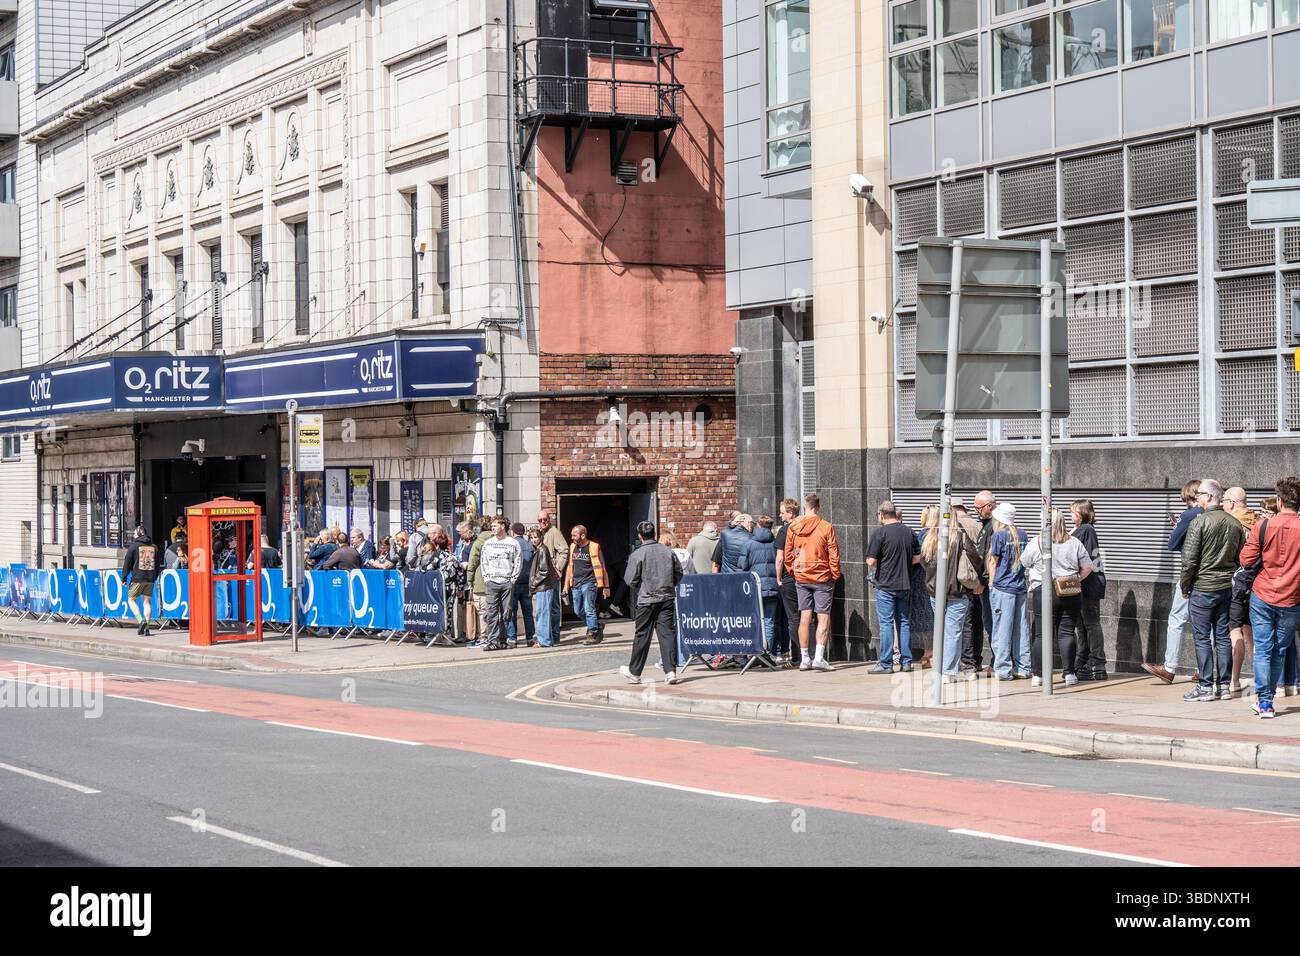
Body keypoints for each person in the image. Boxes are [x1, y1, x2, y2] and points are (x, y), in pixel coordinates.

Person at [1178, 480, 1245, 703]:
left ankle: (1205, 686)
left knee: (1202, 638)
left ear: (1209, 496)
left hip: (1203, 588)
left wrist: (1186, 586)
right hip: (1226, 588)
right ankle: (1224, 686)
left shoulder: (1199, 523)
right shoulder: (1234, 524)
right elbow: (1239, 559)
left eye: (1199, 494)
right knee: (1223, 637)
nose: (1196, 497)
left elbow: (1189, 560)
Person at [1240, 477, 1300, 718]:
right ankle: (1267, 699)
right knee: (1280, 649)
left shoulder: (1263, 526)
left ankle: (1265, 703)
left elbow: (1245, 560)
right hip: (1292, 598)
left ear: (1279, 500)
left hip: (1262, 595)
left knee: (1264, 648)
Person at [1021, 509, 1093, 688]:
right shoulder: (1074, 542)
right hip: (1070, 591)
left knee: (1041, 634)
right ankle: (1069, 673)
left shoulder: (1037, 541)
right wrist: (1076, 579)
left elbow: (1024, 562)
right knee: (1067, 632)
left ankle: (1038, 675)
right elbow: (1088, 567)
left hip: (1044, 590)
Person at [1144, 480, 1203, 684]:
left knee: (1177, 619)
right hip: (1213, 579)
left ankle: (1169, 668)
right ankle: (1205, 669)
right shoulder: (1217, 514)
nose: (1186, 503)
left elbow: (1173, 544)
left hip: (1190, 576)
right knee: (1207, 624)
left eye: (1187, 499)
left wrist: (1177, 527)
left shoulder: (1188, 516)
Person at [921, 511, 987, 681]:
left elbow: (924, 562)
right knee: (954, 632)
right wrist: (979, 580)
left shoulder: (930, 538)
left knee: (942, 630)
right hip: (958, 590)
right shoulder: (960, 537)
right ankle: (949, 671)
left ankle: (944, 668)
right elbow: (976, 559)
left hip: (935, 591)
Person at [619, 521, 683, 685]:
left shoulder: (638, 554)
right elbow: (679, 573)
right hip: (667, 598)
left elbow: (630, 580)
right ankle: (670, 672)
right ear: (654, 534)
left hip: (646, 599)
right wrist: (669, 585)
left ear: (640, 536)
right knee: (667, 634)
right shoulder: (668, 552)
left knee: (642, 635)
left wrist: (641, 585)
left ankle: (635, 673)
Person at [784, 493, 840, 672]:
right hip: (822, 576)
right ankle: (819, 657)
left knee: (804, 616)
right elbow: (833, 553)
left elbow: (788, 554)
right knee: (823, 616)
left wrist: (794, 570)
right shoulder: (825, 526)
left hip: (801, 576)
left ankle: (804, 658)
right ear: (818, 506)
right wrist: (834, 574)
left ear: (805, 507)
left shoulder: (793, 527)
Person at [866, 501, 919, 674]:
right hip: (905, 584)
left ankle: (886, 664)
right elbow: (918, 558)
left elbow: (871, 561)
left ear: (881, 514)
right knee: (903, 623)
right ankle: (906, 662)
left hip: (886, 585)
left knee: (886, 624)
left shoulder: (880, 533)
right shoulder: (909, 532)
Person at [986, 502, 1031, 681]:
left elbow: (993, 562)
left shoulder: (999, 535)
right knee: (1021, 628)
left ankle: (1003, 670)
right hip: (1020, 586)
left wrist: (991, 584)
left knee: (1001, 629)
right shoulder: (1023, 534)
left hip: (1003, 588)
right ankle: (1023, 667)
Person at [1222, 487, 1257, 695]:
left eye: (1225, 500)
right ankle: (1264, 681)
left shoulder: (1231, 524)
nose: (1223, 504)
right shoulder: (1259, 520)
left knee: (1235, 630)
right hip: (1257, 585)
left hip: (1237, 584)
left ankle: (1234, 680)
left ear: (1233, 503)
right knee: (1253, 636)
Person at [960, 490, 997, 675]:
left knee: (992, 625)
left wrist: (982, 581)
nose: (977, 511)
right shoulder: (984, 526)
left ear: (990, 506)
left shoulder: (993, 527)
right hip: (984, 584)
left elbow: (990, 558)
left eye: (979, 508)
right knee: (986, 623)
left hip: (988, 584)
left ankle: (998, 663)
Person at [1070, 499, 1106, 681]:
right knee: (1082, 625)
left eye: (1074, 512)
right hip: (1085, 585)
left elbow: (1087, 561)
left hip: (1089, 584)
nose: (1071, 515)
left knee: (1090, 624)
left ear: (1082, 513)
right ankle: (1084, 660)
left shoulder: (1086, 530)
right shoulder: (1083, 530)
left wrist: (1077, 579)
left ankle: (1096, 662)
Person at [478, 517, 523, 652]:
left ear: (503, 526)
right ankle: (492, 641)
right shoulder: (488, 543)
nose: (492, 528)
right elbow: (483, 561)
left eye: (495, 525)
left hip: (507, 582)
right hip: (492, 582)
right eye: (492, 526)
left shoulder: (513, 543)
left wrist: (512, 579)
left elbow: (518, 561)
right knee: (491, 613)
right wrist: (486, 578)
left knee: (506, 613)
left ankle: (503, 640)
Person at [564, 524, 609, 644]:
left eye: (575, 535)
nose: (572, 537)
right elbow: (569, 567)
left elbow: (603, 567)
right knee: (578, 611)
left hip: (590, 582)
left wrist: (606, 586)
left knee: (589, 608)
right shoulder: (572, 546)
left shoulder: (594, 546)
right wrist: (566, 586)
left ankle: (593, 633)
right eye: (572, 534)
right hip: (576, 584)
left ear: (583, 535)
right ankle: (596, 625)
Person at [745, 515, 782, 659]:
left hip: (755, 588)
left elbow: (743, 566)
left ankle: (756, 652)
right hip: (773, 587)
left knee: (755, 620)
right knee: (769, 621)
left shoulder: (749, 544)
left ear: (758, 526)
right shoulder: (776, 544)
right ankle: (766, 653)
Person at [773, 499, 802, 667]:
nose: (780, 514)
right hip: (807, 575)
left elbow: (780, 558)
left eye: (782, 512)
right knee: (807, 615)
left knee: (793, 618)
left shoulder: (785, 530)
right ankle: (811, 654)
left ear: (790, 513)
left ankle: (797, 657)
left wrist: (778, 578)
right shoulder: (805, 527)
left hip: (789, 577)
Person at [910, 506, 938, 670]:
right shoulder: (941, 534)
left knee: (924, 619)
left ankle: (929, 653)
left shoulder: (922, 535)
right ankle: (932, 652)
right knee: (932, 616)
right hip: (937, 580)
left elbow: (918, 557)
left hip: (921, 580)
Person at [123, 526, 160, 636]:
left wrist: (124, 577)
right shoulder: (154, 547)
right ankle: (147, 628)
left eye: (134, 533)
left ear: (139, 534)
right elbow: (157, 564)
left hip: (138, 578)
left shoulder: (133, 547)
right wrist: (154, 576)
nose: (133, 535)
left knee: (131, 600)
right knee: (146, 602)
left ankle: (140, 621)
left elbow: (127, 563)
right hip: (150, 578)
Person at [537, 510, 567, 639]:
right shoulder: (541, 533)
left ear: (550, 520)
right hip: (544, 575)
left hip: (552, 575)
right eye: (540, 520)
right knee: (549, 606)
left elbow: (564, 551)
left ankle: (554, 634)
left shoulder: (554, 532)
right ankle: (553, 634)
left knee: (553, 606)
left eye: (545, 519)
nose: (543, 522)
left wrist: (558, 569)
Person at [506, 522, 536, 648]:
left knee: (512, 611)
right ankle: (530, 638)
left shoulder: (512, 544)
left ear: (513, 532)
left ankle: (512, 639)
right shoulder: (530, 545)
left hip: (513, 583)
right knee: (528, 612)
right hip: (527, 583)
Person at [465, 517, 494, 646]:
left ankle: (484, 638)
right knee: (495, 610)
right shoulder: (498, 540)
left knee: (482, 611)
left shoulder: (479, 542)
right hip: (497, 581)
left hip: (481, 582)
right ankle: (496, 636)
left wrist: (469, 581)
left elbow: (471, 564)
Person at [527, 527, 559, 647]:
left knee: (542, 613)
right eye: (531, 538)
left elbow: (544, 571)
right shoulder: (540, 550)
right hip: (544, 586)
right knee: (544, 613)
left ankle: (544, 641)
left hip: (543, 586)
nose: (533, 540)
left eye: (536, 537)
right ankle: (548, 639)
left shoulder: (542, 550)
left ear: (541, 538)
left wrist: (534, 583)